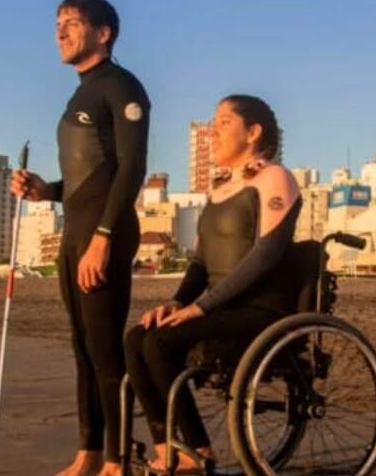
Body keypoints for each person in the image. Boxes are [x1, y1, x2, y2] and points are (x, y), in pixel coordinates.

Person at [11, 0, 150, 476]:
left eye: (72, 22)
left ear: (103, 33)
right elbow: (83, 178)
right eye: (57, 23)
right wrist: (42, 189)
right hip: (76, 233)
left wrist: (104, 237)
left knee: (106, 347)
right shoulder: (79, 93)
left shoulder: (122, 86)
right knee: (82, 345)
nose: (61, 31)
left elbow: (131, 169)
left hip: (103, 235)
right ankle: (89, 453)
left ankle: (118, 458)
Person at [124, 94, 302, 472]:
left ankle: (198, 450)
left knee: (160, 342)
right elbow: (202, 262)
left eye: (223, 122)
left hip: (261, 313)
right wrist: (177, 302)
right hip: (221, 307)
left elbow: (266, 255)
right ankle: (167, 447)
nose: (211, 131)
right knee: (138, 336)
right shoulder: (219, 189)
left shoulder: (275, 178)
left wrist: (202, 307)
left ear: (253, 132)